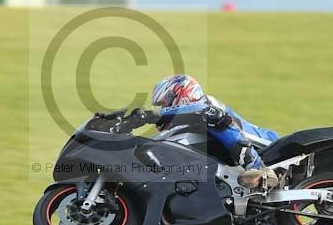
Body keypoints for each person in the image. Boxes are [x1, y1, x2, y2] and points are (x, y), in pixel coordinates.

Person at [112, 74, 279, 187]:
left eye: (164, 104)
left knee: (213, 118)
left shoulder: (206, 104)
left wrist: (150, 115)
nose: (163, 109)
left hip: (269, 145)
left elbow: (199, 111)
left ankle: (258, 167)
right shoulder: (190, 123)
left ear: (181, 94)